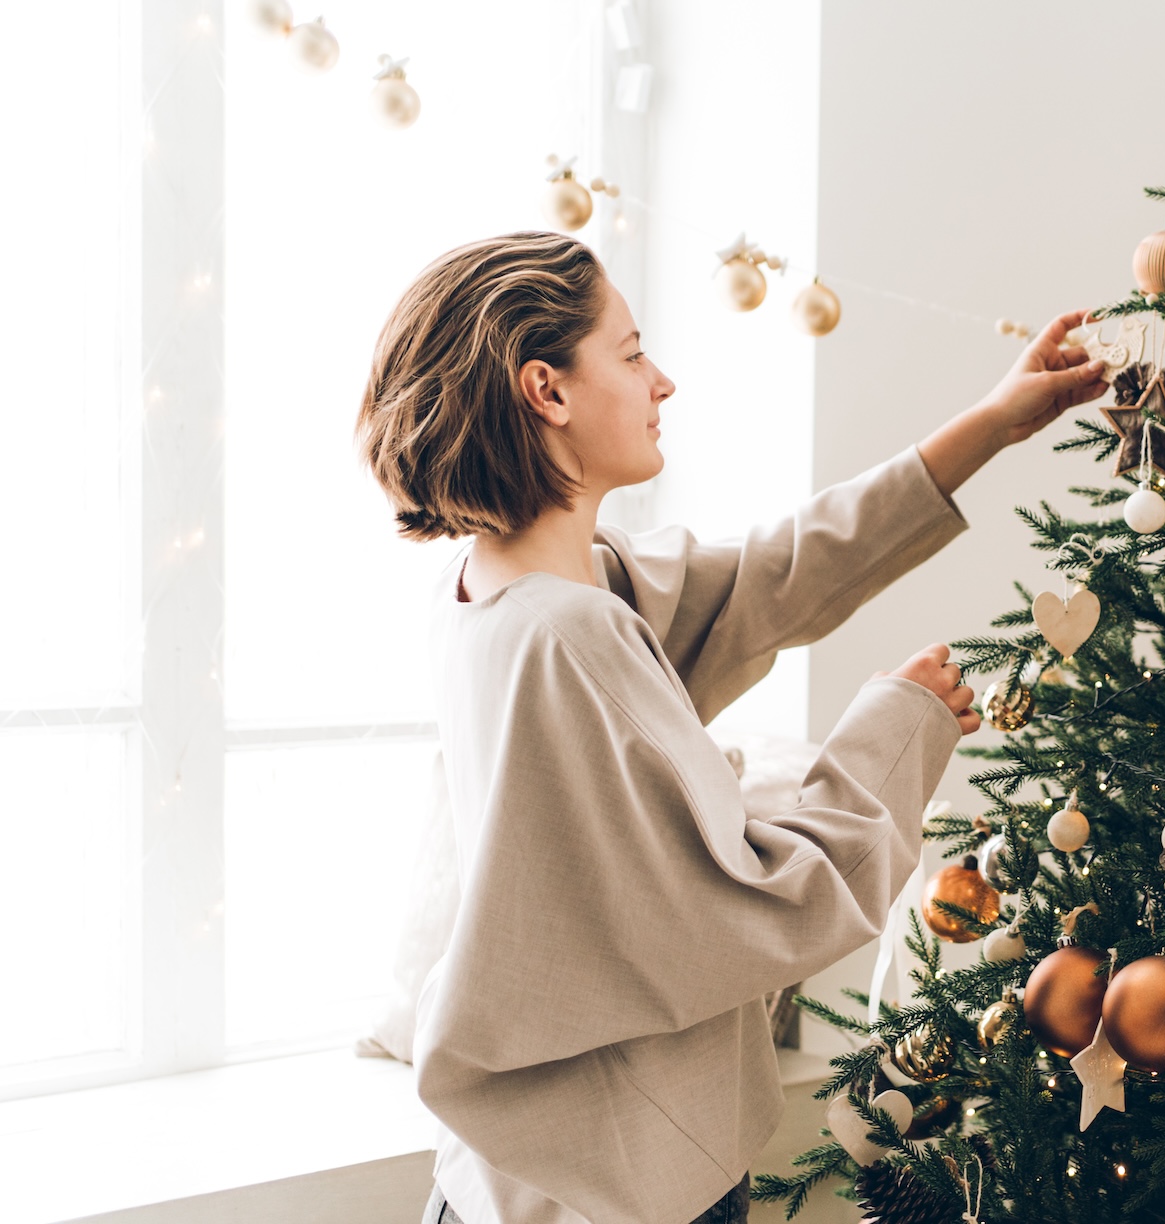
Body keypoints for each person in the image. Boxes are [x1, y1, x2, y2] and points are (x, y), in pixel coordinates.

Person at [354, 231, 1107, 1224]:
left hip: (529, 1181)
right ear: (548, 391)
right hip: (601, 1196)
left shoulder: (521, 590)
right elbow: (750, 904)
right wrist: (903, 723)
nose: (660, 381)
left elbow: (773, 575)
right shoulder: (569, 633)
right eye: (628, 354)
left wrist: (991, 425)